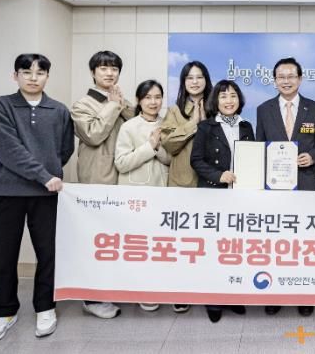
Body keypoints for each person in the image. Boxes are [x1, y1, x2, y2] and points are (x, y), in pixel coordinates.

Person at [0, 54, 74, 344]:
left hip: (46, 195)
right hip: (7, 193)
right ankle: (4, 312)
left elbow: (64, 150)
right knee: (4, 254)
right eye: (26, 72)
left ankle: (45, 307)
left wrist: (48, 176)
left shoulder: (59, 110)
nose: (33, 78)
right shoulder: (0, 106)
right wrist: (43, 174)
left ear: (47, 76)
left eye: (40, 73)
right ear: (16, 76)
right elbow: (8, 149)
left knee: (48, 254)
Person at [256, 57, 315, 317]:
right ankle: (275, 294)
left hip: (306, 182)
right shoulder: (263, 109)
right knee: (275, 241)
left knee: (305, 241)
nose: (286, 81)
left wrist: (314, 157)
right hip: (274, 186)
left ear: (300, 79)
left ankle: (304, 294)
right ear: (274, 80)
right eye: (281, 77)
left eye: (291, 76)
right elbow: (259, 145)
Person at [70, 50, 134, 319]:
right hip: (97, 180)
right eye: (104, 68)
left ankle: (111, 289)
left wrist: (120, 104)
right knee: (95, 239)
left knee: (117, 239)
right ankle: (92, 298)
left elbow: (139, 122)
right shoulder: (82, 104)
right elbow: (93, 135)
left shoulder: (120, 100)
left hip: (121, 178)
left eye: (114, 69)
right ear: (93, 72)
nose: (109, 73)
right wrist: (114, 105)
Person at [190, 79, 252, 322]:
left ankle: (233, 297)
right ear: (216, 100)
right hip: (213, 195)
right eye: (224, 96)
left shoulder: (246, 126)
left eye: (233, 95)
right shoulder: (206, 127)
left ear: (239, 99)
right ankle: (214, 302)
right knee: (215, 249)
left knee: (235, 249)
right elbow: (196, 160)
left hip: (240, 197)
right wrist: (218, 176)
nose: (229, 100)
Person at [160, 61, 213, 314]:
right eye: (189, 77)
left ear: (206, 80)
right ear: (183, 82)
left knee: (210, 239)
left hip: (212, 183)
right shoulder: (174, 111)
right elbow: (168, 145)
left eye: (199, 77)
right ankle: (181, 290)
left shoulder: (217, 105)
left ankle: (210, 289)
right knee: (183, 241)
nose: (194, 82)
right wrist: (193, 123)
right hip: (183, 182)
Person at [114, 80, 171, 312]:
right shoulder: (129, 127)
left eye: (157, 97)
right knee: (139, 245)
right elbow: (121, 163)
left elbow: (172, 159)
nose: (153, 102)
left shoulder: (167, 125)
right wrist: (149, 147)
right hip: (136, 196)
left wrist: (157, 147)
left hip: (162, 193)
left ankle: (157, 287)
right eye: (148, 97)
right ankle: (140, 290)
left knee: (159, 245)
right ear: (139, 100)